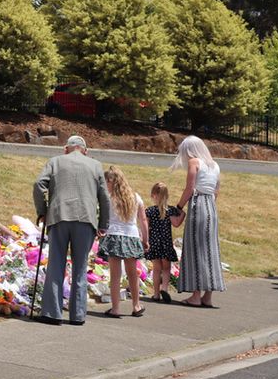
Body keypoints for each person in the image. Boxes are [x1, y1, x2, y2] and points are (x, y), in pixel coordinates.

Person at [33, 135, 111, 326]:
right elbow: (105, 198)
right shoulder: (95, 165)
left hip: (59, 216)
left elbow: (38, 185)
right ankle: (77, 315)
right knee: (80, 267)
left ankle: (52, 313)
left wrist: (42, 212)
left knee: (56, 265)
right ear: (85, 150)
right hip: (86, 219)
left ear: (66, 148)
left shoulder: (55, 162)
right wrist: (103, 224)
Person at [172, 136, 224, 307]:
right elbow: (216, 191)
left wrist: (179, 206)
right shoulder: (214, 165)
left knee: (195, 248)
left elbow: (190, 188)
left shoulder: (195, 162)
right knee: (210, 248)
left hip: (199, 204)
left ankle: (195, 295)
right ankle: (207, 296)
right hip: (211, 207)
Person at [97, 166, 150, 318]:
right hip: (132, 236)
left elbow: (104, 217)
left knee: (115, 275)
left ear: (110, 181)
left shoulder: (109, 197)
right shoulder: (135, 197)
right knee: (133, 274)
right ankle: (136, 305)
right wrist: (145, 240)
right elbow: (143, 220)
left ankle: (115, 308)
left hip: (114, 235)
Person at [145, 182, 184, 303]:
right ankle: (165, 289)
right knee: (166, 268)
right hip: (166, 242)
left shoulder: (150, 211)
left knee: (156, 269)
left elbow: (146, 226)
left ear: (153, 195)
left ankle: (156, 294)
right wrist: (182, 214)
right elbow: (176, 224)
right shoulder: (170, 211)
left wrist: (145, 240)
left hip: (154, 242)